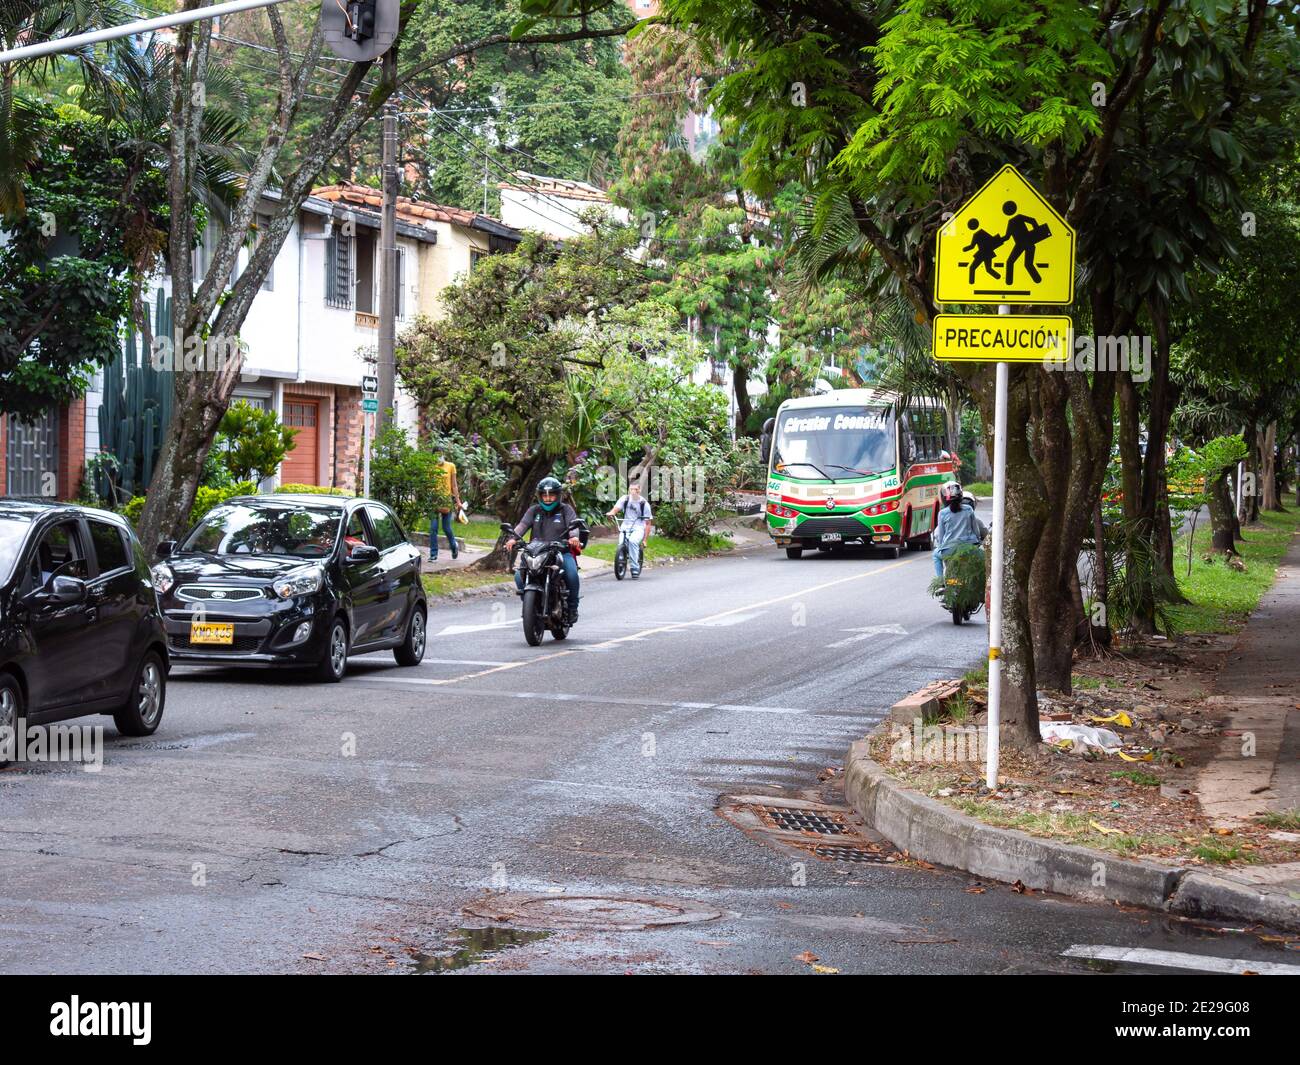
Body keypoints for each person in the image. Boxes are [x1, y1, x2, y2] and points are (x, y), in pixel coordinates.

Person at [504, 476, 583, 622]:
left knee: (572, 575)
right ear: (539, 496)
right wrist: (513, 538)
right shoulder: (534, 510)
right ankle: (532, 606)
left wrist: (574, 537)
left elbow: (573, 526)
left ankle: (572, 608)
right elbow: (522, 525)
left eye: (551, 494)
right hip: (536, 552)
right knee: (518, 577)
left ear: (558, 495)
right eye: (544, 495)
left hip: (560, 552)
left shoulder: (566, 510)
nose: (547, 498)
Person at [933, 481, 987, 580]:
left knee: (935, 555)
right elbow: (976, 531)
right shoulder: (968, 509)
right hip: (969, 549)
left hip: (949, 550)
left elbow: (941, 536)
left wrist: (941, 547)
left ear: (944, 498)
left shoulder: (942, 513)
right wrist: (977, 543)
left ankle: (941, 582)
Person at [606, 483, 653, 578]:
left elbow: (648, 523)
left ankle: (635, 568)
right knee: (621, 544)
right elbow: (615, 509)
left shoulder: (644, 504)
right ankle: (620, 564)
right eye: (631, 489)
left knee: (632, 542)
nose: (633, 491)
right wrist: (611, 514)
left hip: (638, 527)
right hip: (625, 526)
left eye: (635, 489)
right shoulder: (625, 499)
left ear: (639, 491)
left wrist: (644, 540)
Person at [429, 457, 462, 562]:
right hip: (433, 500)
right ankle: (433, 555)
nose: (439, 457)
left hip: (446, 500)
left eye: (440, 454)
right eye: (436, 454)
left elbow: (454, 485)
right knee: (433, 528)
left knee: (446, 527)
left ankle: (454, 546)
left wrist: (458, 501)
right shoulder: (430, 467)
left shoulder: (450, 466)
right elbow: (427, 484)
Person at [962, 217, 1007, 284]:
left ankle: (971, 283)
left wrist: (964, 249)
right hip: (988, 253)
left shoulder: (976, 235)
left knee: (972, 268)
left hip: (981, 254)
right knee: (988, 269)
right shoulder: (982, 232)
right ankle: (998, 277)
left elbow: (972, 246)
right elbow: (991, 240)